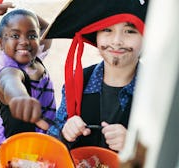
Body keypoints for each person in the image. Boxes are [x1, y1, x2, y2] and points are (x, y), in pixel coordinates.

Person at [45, 0, 149, 152]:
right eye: (107, 30)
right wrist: (64, 133)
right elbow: (52, 143)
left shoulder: (156, 91)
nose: (117, 41)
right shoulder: (79, 81)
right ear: (96, 34)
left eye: (130, 31)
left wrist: (135, 147)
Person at [0, 8, 55, 167]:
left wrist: (17, 6)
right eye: (15, 35)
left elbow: (49, 28)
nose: (25, 41)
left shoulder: (35, 59)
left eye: (32, 35)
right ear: (0, 42)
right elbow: (10, 83)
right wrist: (20, 97)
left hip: (45, 135)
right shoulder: (9, 72)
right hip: (23, 150)